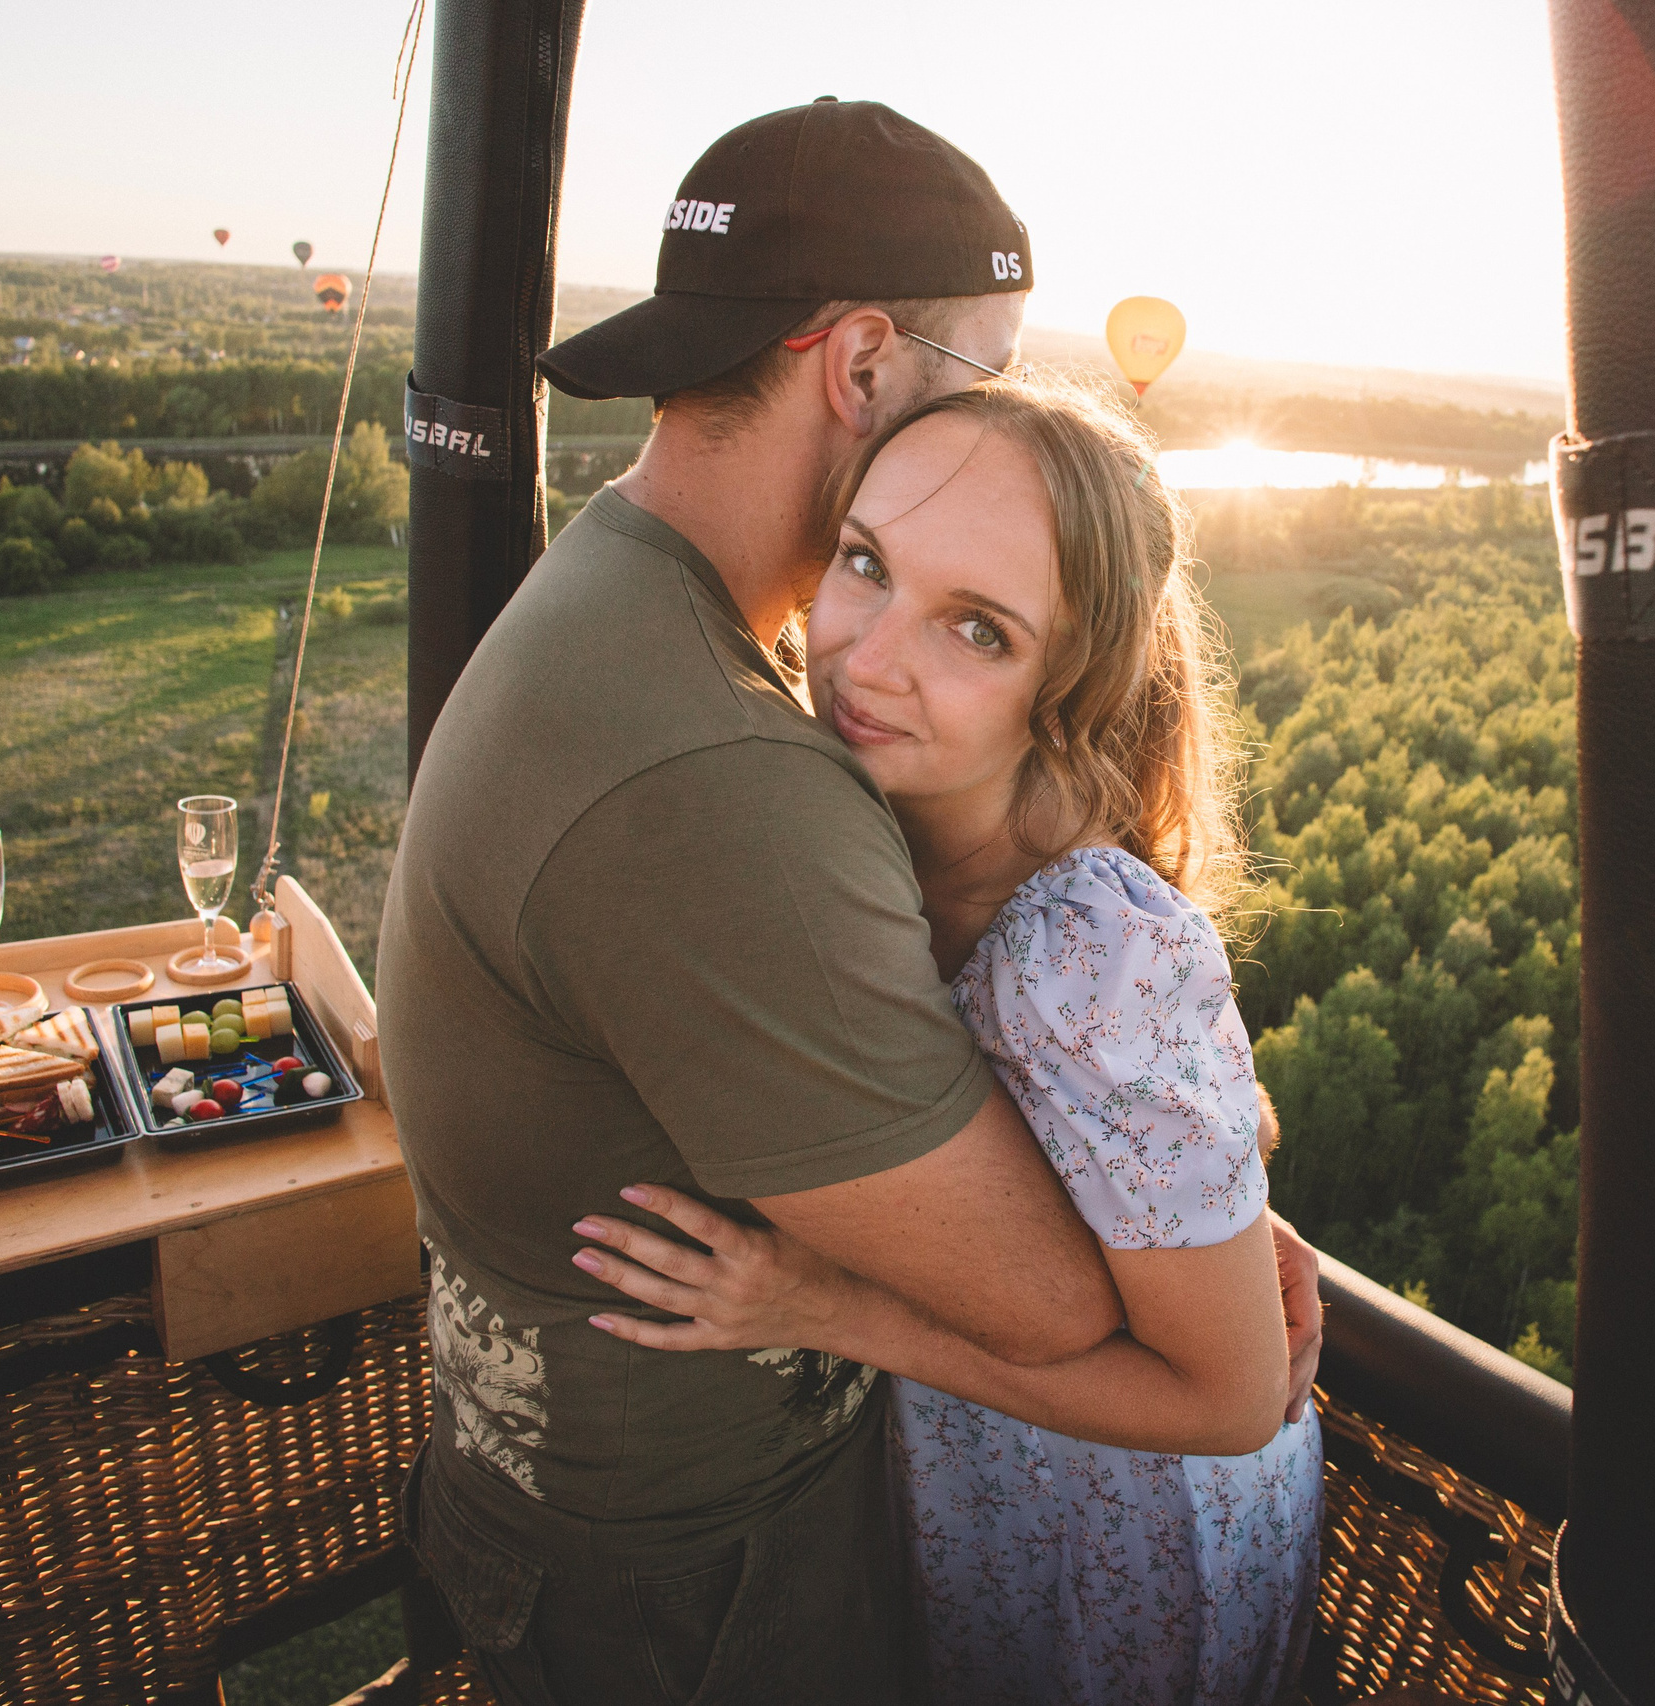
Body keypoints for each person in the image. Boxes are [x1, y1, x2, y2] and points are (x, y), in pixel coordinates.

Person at [379, 100, 1320, 1703]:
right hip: (701, 1592)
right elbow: (1052, 1297)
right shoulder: (715, 762)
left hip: (643, 1534)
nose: (998, 429)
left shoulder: (622, 593)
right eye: (988, 375)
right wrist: (1175, 1242)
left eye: (984, 627)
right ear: (862, 364)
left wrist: (1197, 1195)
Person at [572, 374, 1324, 1705]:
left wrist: (824, 1305)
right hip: (996, 1502)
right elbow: (1197, 1118)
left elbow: (1226, 1396)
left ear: (1065, 685)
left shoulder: (1086, 942)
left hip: (1130, 1548)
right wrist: (1212, 1210)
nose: (866, 657)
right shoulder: (879, 837)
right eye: (864, 563)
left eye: (978, 629)